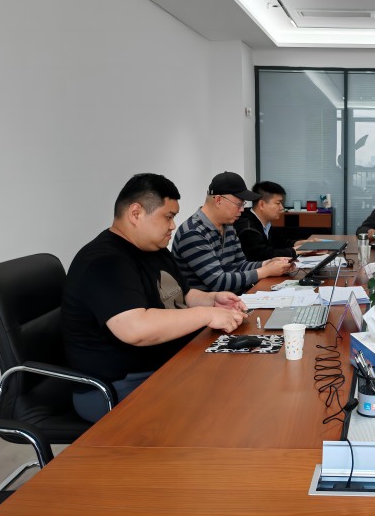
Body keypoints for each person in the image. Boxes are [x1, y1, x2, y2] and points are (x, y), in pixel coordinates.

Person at [62, 173, 248, 422]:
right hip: (118, 386)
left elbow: (182, 294)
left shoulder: (154, 249)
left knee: (238, 382)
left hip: (166, 364)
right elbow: (136, 329)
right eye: (168, 217)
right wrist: (206, 314)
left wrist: (213, 300)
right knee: (223, 409)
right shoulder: (104, 261)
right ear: (136, 213)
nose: (173, 226)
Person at [172, 172, 292, 294]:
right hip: (210, 303)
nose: (242, 210)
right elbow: (218, 282)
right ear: (218, 200)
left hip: (233, 298)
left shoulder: (228, 226)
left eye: (243, 204)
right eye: (239, 204)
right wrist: (266, 271)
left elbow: (240, 265)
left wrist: (268, 263)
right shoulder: (193, 232)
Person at [234, 181, 307, 261]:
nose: (282, 207)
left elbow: (281, 243)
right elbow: (263, 255)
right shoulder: (248, 228)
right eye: (278, 203)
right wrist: (295, 250)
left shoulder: (266, 223)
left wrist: (301, 243)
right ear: (261, 204)